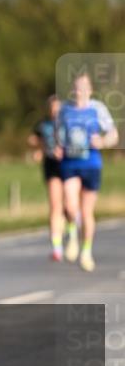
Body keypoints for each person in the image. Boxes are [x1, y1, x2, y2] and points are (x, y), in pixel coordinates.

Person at [56, 73, 119, 272]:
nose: (79, 91)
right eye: (76, 87)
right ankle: (72, 235)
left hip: (91, 163)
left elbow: (113, 134)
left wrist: (102, 141)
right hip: (70, 163)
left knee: (86, 211)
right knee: (69, 203)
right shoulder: (65, 110)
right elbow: (58, 134)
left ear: (90, 90)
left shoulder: (97, 109)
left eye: (83, 87)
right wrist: (58, 146)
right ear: (72, 90)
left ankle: (86, 251)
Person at [28, 95, 65, 262]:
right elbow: (34, 138)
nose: (54, 112)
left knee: (70, 206)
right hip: (51, 166)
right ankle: (57, 247)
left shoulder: (68, 124)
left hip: (69, 165)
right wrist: (39, 150)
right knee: (55, 205)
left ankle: (72, 229)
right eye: (51, 108)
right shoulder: (43, 125)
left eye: (57, 108)